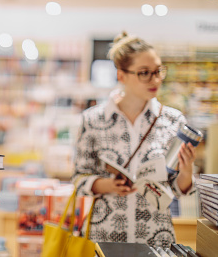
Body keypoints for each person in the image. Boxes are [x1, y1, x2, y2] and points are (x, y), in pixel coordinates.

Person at [73, 31, 196, 249]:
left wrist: (186, 173)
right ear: (121, 75)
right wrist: (107, 185)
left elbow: (176, 190)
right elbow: (78, 179)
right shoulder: (92, 120)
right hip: (106, 235)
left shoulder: (173, 120)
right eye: (144, 73)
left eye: (158, 71)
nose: (155, 79)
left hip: (156, 237)